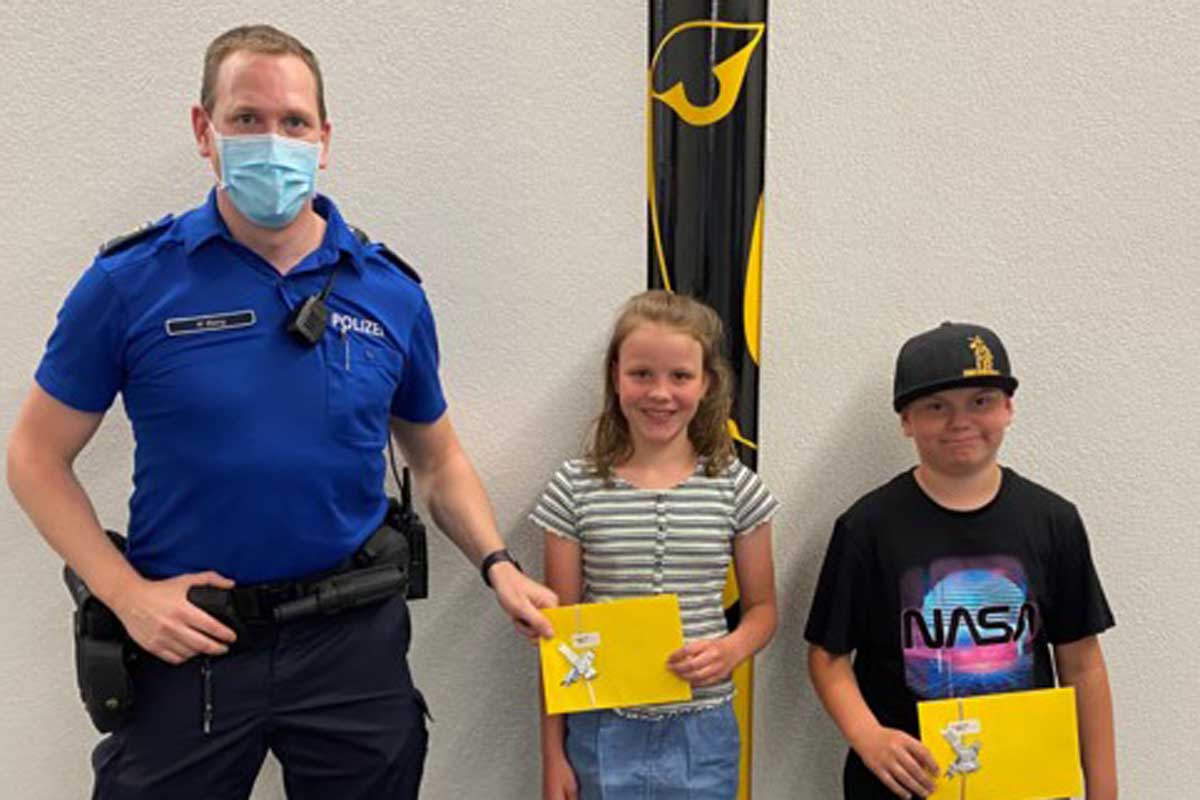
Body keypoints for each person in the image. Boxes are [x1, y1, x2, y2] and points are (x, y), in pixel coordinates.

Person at [5, 23, 555, 800]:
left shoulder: (389, 291)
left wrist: (498, 565)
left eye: (294, 121)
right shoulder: (130, 284)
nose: (274, 140)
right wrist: (124, 595)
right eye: (247, 118)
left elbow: (438, 460)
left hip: (351, 643)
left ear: (324, 138)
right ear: (205, 130)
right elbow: (34, 456)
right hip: (191, 638)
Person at [805, 321, 1117, 799]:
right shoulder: (867, 527)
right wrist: (868, 737)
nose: (960, 422)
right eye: (936, 407)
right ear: (906, 421)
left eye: (980, 401)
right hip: (906, 786)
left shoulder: (1053, 520)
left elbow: (1082, 665)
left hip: (1024, 782)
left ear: (1009, 407)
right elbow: (827, 656)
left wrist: (1103, 788)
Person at [532, 290, 779, 799]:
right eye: (641, 374)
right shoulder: (573, 489)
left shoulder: (736, 487)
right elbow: (557, 636)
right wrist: (552, 755)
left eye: (680, 376)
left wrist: (731, 649)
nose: (660, 393)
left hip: (704, 731)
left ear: (706, 383)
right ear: (616, 377)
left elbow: (763, 610)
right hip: (602, 726)